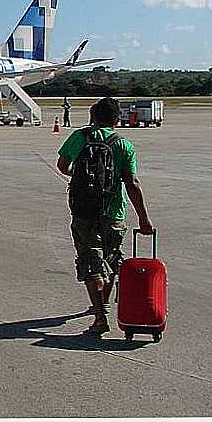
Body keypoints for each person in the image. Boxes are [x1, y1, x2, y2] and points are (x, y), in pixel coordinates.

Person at [56, 97, 153, 335]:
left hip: (84, 211)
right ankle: (104, 303)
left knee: (90, 261)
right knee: (110, 259)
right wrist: (143, 218)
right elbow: (132, 183)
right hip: (114, 211)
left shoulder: (80, 137)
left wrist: (79, 177)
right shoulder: (124, 145)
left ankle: (100, 316)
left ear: (94, 117)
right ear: (116, 120)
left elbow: (62, 165)